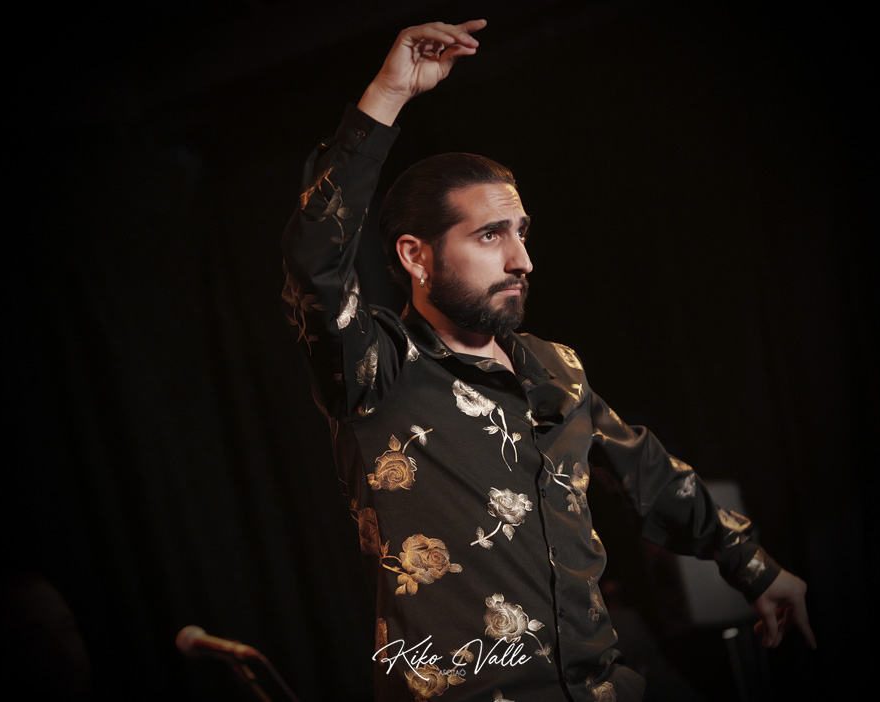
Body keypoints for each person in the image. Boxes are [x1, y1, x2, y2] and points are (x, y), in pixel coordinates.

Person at [281, 19, 815, 702]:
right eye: (490, 236)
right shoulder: (376, 367)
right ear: (416, 255)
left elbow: (648, 472)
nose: (522, 260)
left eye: (522, 233)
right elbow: (315, 261)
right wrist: (387, 95)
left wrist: (757, 568)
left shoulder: (552, 367)